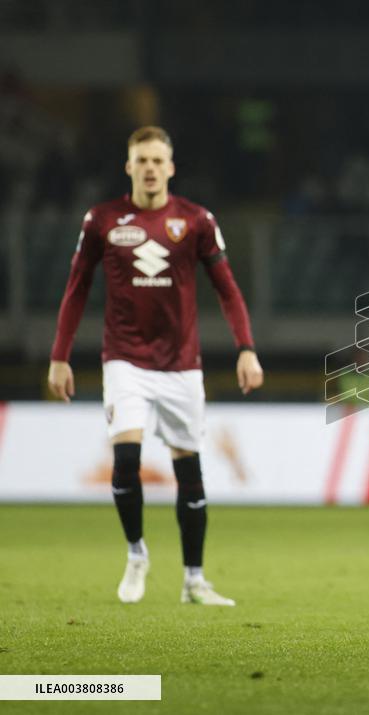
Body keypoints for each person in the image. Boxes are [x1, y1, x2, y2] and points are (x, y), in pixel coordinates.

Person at [48, 126, 264, 606]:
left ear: (170, 167)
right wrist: (59, 357)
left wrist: (245, 347)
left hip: (182, 366)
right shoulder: (101, 220)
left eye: (156, 160)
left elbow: (226, 288)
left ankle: (194, 580)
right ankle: (136, 553)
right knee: (125, 458)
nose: (149, 167)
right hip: (124, 360)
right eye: (141, 160)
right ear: (129, 166)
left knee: (190, 470)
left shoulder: (196, 220)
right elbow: (76, 288)